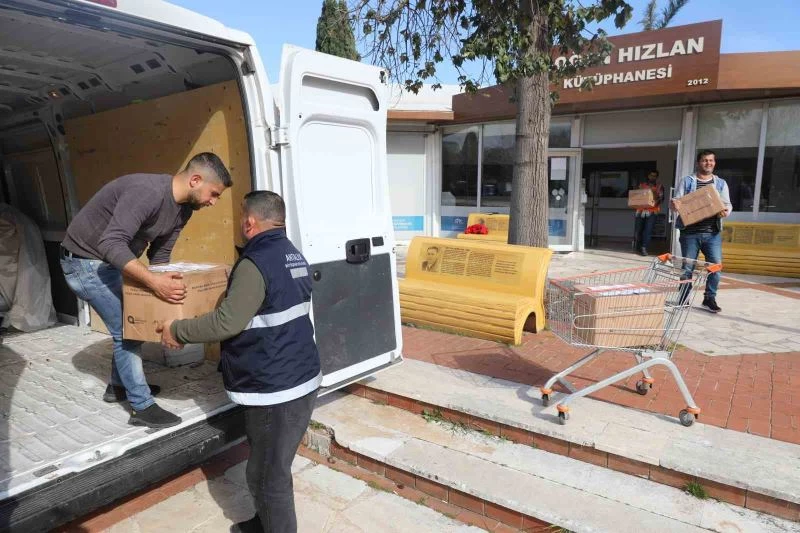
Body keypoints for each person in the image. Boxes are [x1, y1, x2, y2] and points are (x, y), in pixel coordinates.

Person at [159, 191, 321, 533]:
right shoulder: (293, 254)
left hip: (274, 388)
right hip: (298, 377)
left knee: (267, 476)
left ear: (250, 222)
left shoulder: (255, 263)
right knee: (270, 467)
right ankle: (263, 524)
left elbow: (225, 323)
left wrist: (178, 329)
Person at [60, 153, 232, 428]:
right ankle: (141, 406)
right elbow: (111, 243)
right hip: (84, 262)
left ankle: (117, 388)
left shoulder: (183, 209)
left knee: (133, 324)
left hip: (110, 260)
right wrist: (154, 283)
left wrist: (166, 295)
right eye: (213, 194)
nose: (213, 202)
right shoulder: (147, 192)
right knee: (126, 330)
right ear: (195, 180)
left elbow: (161, 255)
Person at [671, 150, 732, 314]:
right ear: (698, 163)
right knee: (687, 268)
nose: (708, 163)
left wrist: (726, 211)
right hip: (690, 233)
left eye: (711, 160)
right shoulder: (687, 181)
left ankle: (709, 298)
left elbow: (727, 204)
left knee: (715, 267)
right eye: (705, 160)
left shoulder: (720, 184)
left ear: (714, 163)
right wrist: (674, 205)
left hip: (712, 233)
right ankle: (683, 297)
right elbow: (677, 201)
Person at [634, 170, 665, 256]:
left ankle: (644, 248)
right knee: (639, 229)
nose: (653, 177)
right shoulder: (641, 185)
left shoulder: (659, 186)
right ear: (648, 176)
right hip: (640, 211)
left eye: (655, 176)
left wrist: (653, 202)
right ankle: (638, 247)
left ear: (657, 177)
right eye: (651, 175)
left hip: (652, 211)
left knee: (648, 230)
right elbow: (636, 195)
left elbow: (661, 198)